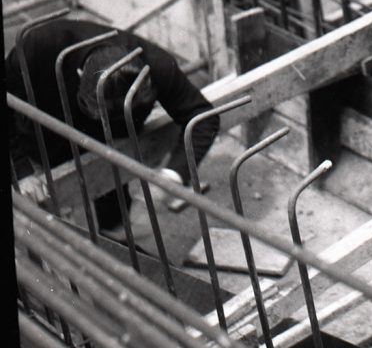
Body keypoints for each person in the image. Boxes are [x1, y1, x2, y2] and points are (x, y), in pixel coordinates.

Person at [5, 18, 220, 231]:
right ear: (80, 77)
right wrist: (21, 171)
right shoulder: (39, 46)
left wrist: (173, 175)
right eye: (102, 112)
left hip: (111, 139)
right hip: (43, 129)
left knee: (112, 182)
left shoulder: (156, 66)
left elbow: (203, 116)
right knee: (49, 220)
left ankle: (114, 227)